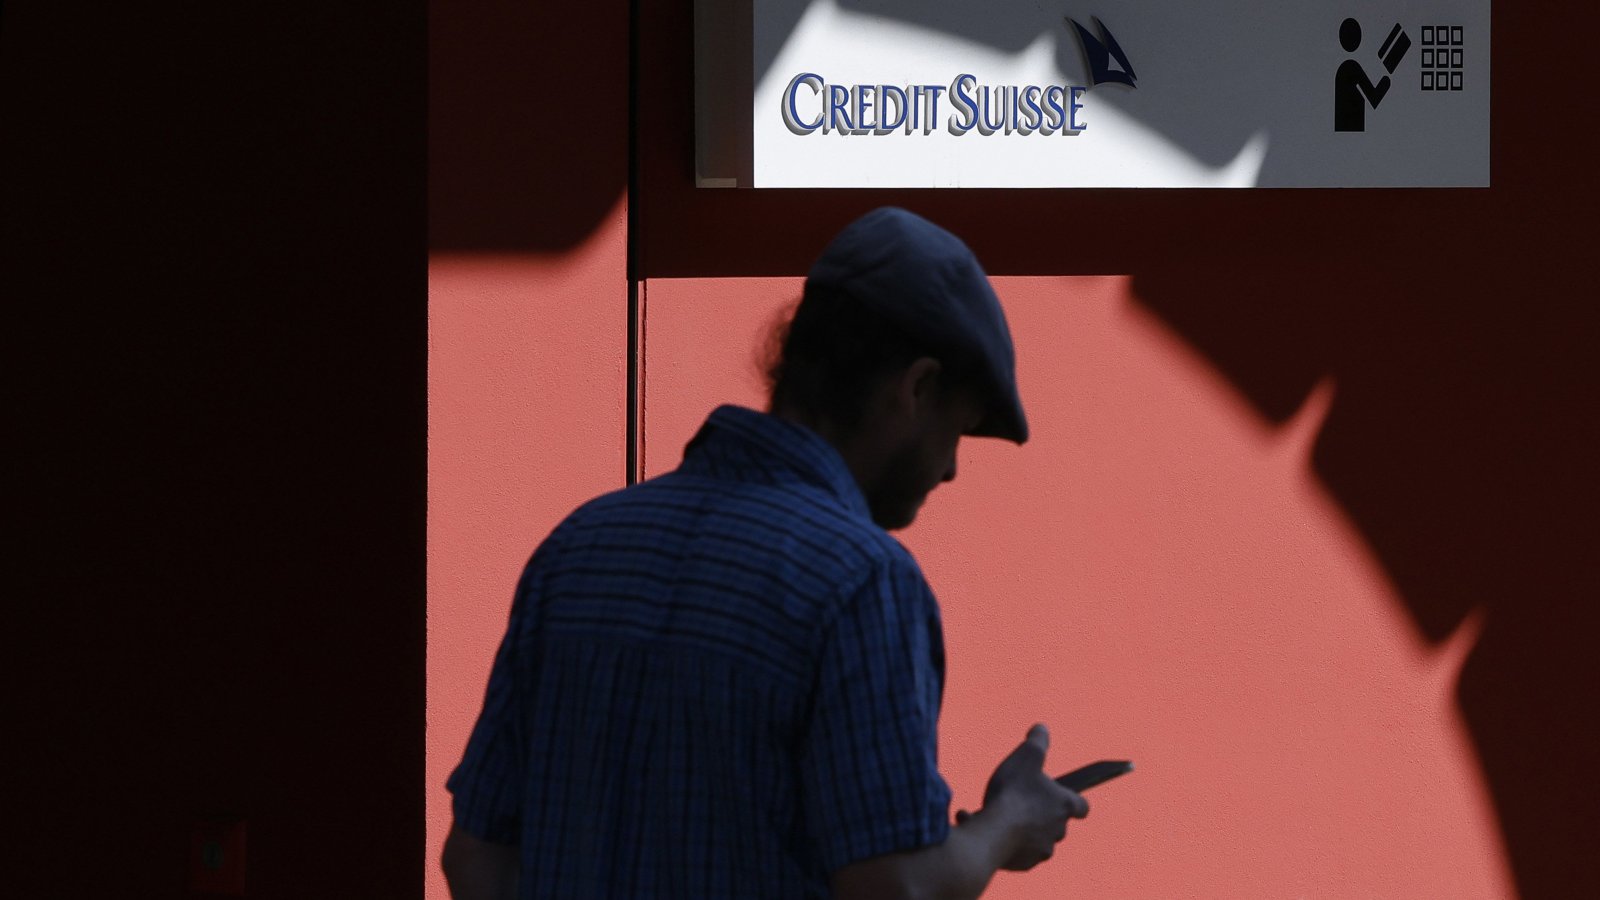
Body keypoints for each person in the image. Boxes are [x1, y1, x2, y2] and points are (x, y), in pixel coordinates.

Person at [442, 207, 1089, 899]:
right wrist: (1006, 824)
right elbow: (896, 887)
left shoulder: (577, 550)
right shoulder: (861, 581)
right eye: (956, 430)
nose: (951, 468)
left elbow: (475, 858)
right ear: (917, 387)